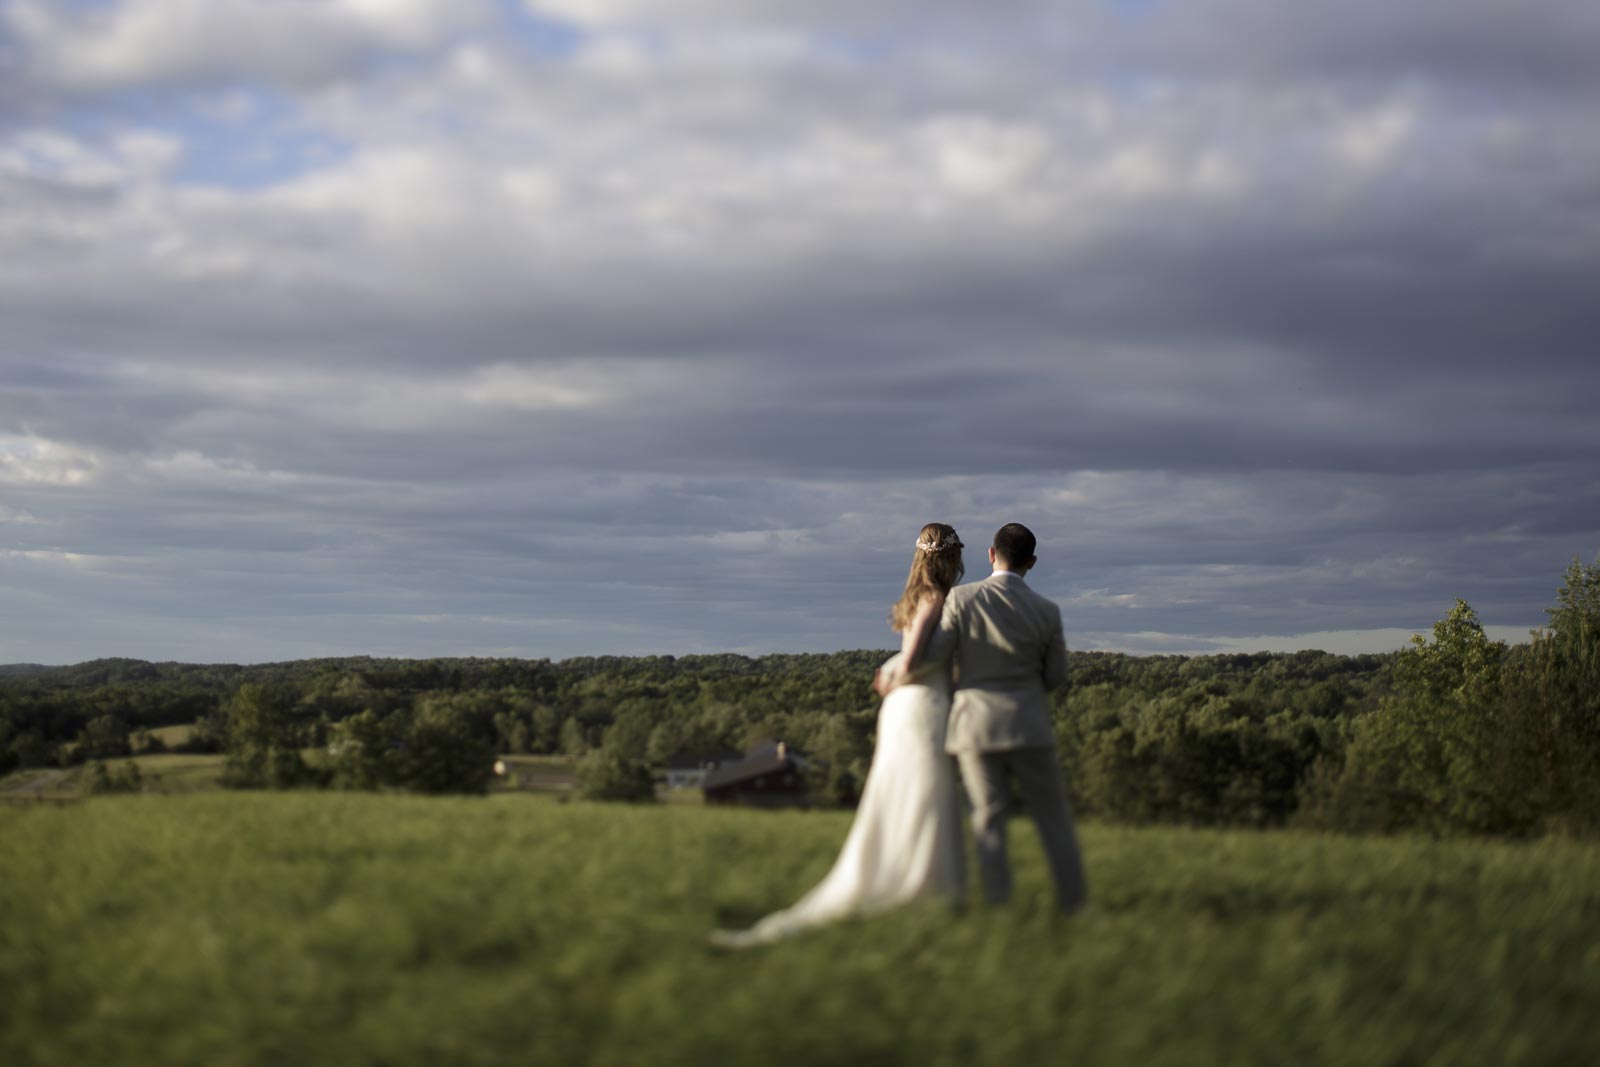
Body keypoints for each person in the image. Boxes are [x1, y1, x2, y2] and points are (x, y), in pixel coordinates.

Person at [710, 523, 968, 948]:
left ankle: (911, 882)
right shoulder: (936, 599)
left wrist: (895, 670)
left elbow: (910, 655)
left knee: (904, 793)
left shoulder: (915, 597)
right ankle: (921, 886)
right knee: (924, 793)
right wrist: (891, 675)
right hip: (920, 705)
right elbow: (913, 659)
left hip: (908, 709)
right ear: (950, 558)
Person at [922, 522, 1087, 913]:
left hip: (975, 725)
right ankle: (1075, 905)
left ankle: (998, 906)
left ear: (991, 554)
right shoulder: (1047, 611)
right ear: (1032, 562)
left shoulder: (961, 599)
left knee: (988, 820)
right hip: (1030, 722)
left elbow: (936, 656)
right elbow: (1056, 677)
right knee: (1053, 820)